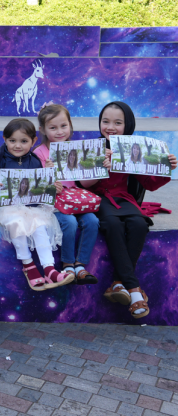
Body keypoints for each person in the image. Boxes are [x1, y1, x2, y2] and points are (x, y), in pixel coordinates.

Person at [80, 101, 177, 319]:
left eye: (117, 122)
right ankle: (134, 291)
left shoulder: (134, 147)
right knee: (113, 224)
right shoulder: (92, 147)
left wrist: (165, 166)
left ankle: (117, 283)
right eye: (105, 121)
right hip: (98, 198)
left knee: (139, 223)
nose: (110, 127)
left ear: (128, 125)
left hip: (124, 199)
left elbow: (149, 183)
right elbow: (82, 184)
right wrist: (100, 165)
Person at [0, 119, 71, 291]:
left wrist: (51, 185)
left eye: (24, 141)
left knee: (39, 226)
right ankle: (28, 265)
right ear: (5, 139)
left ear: (33, 141)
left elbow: (39, 190)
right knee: (17, 223)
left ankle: (49, 268)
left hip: (30, 207)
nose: (18, 145)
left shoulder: (35, 161)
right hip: (4, 208)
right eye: (12, 141)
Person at [34, 104, 99, 284]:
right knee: (69, 222)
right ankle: (68, 264)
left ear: (70, 125)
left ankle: (80, 265)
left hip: (76, 199)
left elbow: (85, 183)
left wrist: (94, 170)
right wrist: (48, 176)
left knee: (93, 221)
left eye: (63, 126)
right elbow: (37, 186)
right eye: (53, 128)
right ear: (43, 130)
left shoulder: (76, 150)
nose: (59, 131)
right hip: (55, 203)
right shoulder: (39, 153)